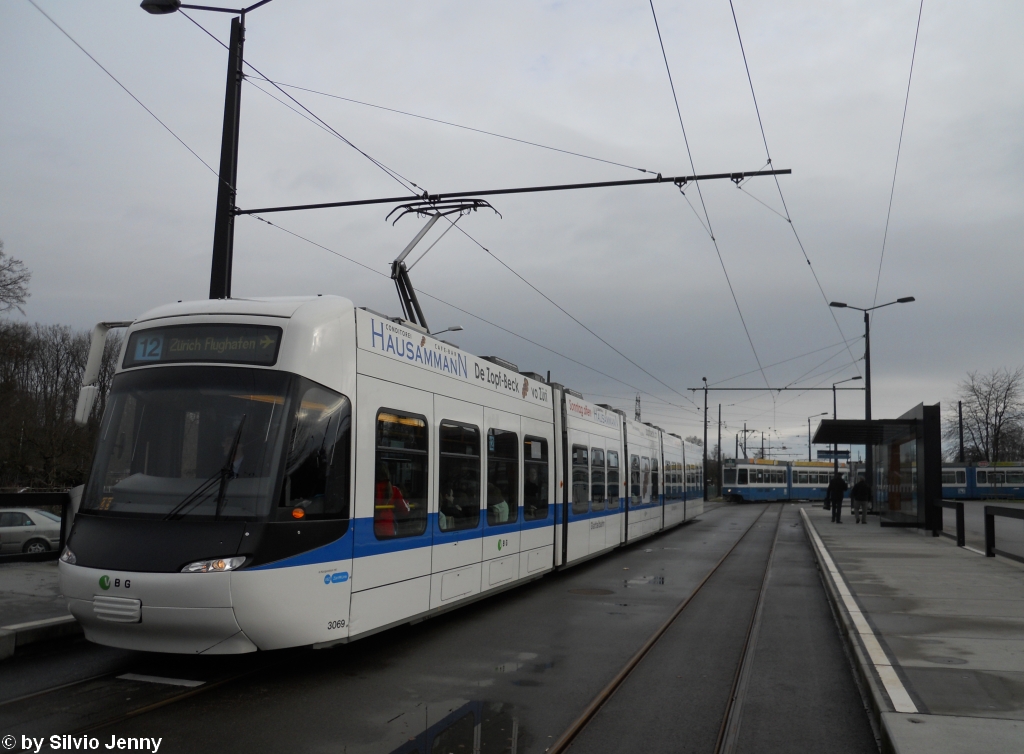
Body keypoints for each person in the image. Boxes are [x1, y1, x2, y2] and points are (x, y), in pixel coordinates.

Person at [374, 462, 410, 537]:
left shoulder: (371, 489)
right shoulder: (394, 490)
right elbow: (405, 511)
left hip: (372, 530)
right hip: (388, 531)